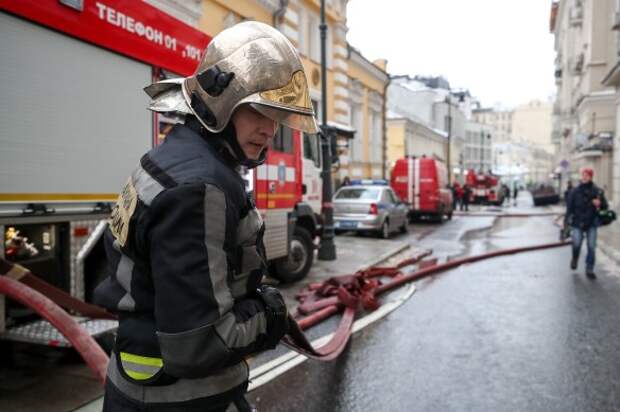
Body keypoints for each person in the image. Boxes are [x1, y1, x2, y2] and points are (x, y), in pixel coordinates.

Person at [94, 21, 318, 411]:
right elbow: (200, 345)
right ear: (221, 100)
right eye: (259, 110)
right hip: (183, 399)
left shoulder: (171, 157)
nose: (270, 129)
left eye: (278, 115)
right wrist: (271, 313)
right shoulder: (201, 188)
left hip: (145, 388)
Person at [565, 167, 608, 279]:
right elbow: (569, 209)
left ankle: (589, 268)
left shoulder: (597, 191)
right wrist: (565, 226)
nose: (584, 176)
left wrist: (599, 203)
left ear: (591, 177)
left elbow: (605, 206)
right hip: (577, 222)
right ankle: (575, 258)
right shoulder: (574, 191)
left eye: (587, 175)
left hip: (592, 222)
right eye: (583, 174)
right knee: (576, 243)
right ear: (581, 176)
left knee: (592, 246)